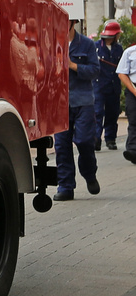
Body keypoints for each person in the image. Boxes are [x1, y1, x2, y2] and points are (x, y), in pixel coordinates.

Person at [53, 19, 99, 201]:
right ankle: (65, 186)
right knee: (62, 146)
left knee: (85, 141)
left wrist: (73, 66)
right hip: (59, 103)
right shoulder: (51, 42)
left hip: (83, 101)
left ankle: (89, 173)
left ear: (73, 23)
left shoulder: (86, 44)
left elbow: (95, 71)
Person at [92, 19, 123, 151]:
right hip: (99, 85)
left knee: (112, 113)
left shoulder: (118, 48)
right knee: (98, 113)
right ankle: (96, 139)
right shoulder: (96, 47)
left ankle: (110, 139)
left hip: (113, 85)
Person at [119, 42, 136, 165]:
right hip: (133, 88)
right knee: (134, 118)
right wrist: (134, 91)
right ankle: (132, 150)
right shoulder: (129, 52)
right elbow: (122, 73)